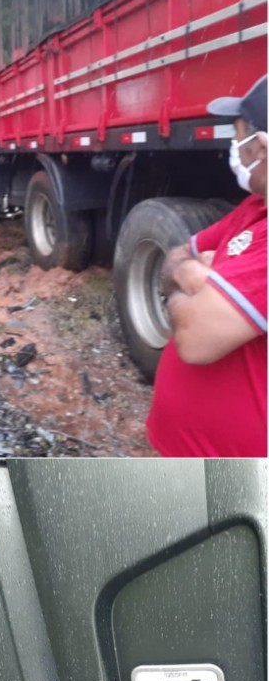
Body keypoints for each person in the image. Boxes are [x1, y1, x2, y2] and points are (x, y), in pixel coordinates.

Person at [145, 75, 267, 456]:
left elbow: (194, 340)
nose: (234, 147)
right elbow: (177, 254)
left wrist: (180, 297)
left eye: (238, 136)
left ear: (262, 145)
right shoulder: (254, 209)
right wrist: (191, 275)